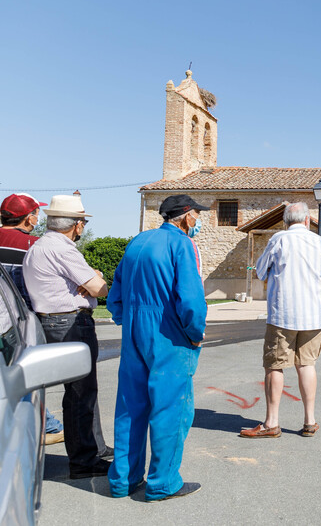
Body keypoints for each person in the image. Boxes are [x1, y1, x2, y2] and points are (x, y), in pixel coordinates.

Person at [106, 194, 209, 501]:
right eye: (196, 216)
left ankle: (123, 480)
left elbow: (115, 295)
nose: (197, 222)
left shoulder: (137, 242)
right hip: (168, 331)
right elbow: (190, 297)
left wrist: (127, 319)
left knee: (130, 405)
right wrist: (196, 332)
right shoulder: (182, 245)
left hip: (135, 328)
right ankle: (163, 483)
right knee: (170, 406)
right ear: (187, 216)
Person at [22, 194, 112, 478]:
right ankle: (84, 459)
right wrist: (96, 279)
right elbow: (99, 289)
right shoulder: (64, 250)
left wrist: (87, 279)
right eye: (82, 221)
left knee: (81, 391)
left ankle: (94, 447)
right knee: (81, 393)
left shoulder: (40, 246)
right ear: (77, 225)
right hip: (70, 321)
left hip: (49, 320)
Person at [241, 202, 321, 438]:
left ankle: (272, 423)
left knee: (275, 365)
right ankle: (310, 421)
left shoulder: (279, 239)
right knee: (307, 364)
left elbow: (260, 270)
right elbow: (320, 271)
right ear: (308, 220)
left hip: (284, 313)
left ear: (285, 221)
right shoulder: (319, 242)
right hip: (314, 314)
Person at [0, 193, 65, 444]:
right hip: (18, 320)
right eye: (36, 213)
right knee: (27, 374)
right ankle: (45, 426)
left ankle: (47, 424)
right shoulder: (33, 246)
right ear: (29, 219)